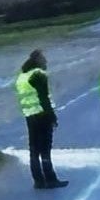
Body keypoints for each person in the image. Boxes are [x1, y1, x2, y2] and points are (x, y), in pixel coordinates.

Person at [17, 50, 68, 189]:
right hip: (42, 115)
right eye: (43, 59)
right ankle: (51, 179)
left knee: (34, 149)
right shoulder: (39, 75)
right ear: (37, 61)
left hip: (29, 116)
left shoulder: (22, 77)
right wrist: (52, 116)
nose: (46, 61)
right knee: (45, 149)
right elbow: (43, 97)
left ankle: (38, 180)